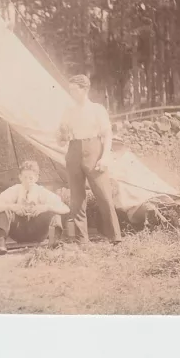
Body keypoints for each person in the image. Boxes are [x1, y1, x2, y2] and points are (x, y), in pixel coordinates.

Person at [57, 74, 122, 245]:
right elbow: (61, 138)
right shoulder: (68, 110)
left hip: (94, 149)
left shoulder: (97, 109)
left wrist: (105, 157)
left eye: (74, 89)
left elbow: (107, 134)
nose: (71, 93)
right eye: (69, 89)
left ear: (84, 89)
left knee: (103, 194)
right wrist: (62, 135)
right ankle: (82, 240)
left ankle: (114, 237)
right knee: (76, 198)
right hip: (74, 150)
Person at [0, 161, 70, 255]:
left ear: (36, 178)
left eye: (31, 178)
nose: (28, 181)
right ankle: (1, 243)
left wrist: (45, 207)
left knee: (53, 210)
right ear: (20, 177)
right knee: (3, 209)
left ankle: (56, 241)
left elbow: (66, 208)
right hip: (19, 232)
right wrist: (12, 206)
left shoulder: (41, 191)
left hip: (38, 231)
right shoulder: (15, 189)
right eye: (25, 178)